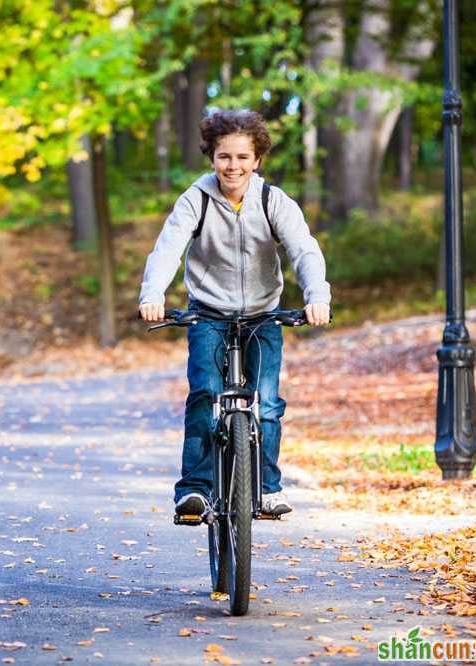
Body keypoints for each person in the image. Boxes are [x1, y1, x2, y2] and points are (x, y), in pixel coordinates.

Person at [138, 110, 331, 518]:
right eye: (225, 157)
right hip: (208, 313)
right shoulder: (196, 200)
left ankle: (267, 489)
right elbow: (168, 249)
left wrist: (317, 296)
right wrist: (152, 293)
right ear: (212, 158)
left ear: (257, 159)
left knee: (268, 405)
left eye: (243, 157)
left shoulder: (272, 201)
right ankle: (193, 490)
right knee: (206, 393)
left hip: (263, 314)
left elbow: (304, 250)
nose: (233, 166)